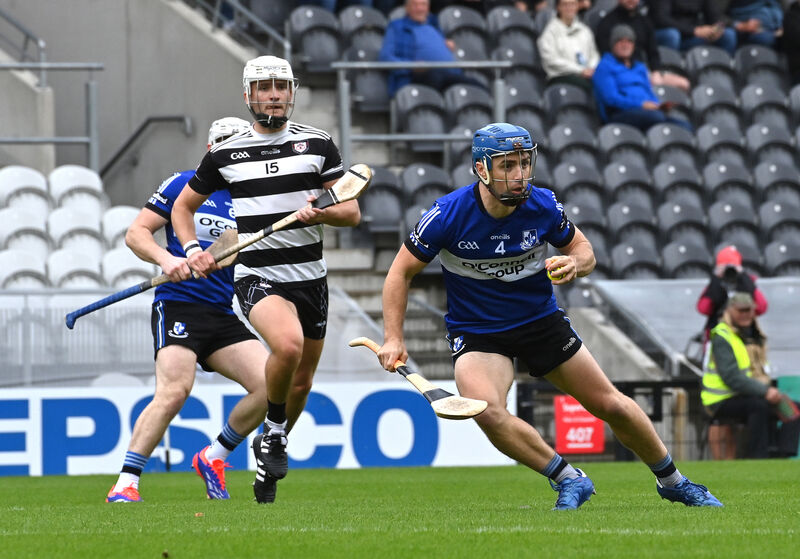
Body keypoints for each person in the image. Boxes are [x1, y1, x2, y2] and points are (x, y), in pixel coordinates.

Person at [376, 121, 722, 509]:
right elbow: (399, 273)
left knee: (610, 403)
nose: (519, 174)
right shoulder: (446, 215)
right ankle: (568, 478)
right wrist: (393, 337)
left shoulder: (541, 204)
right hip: (479, 332)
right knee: (487, 412)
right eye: (507, 165)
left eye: (524, 163)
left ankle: (674, 481)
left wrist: (577, 264)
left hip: (540, 322)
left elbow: (583, 247)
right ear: (481, 170)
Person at [171, 55, 361, 504]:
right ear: (248, 95)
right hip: (259, 275)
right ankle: (275, 432)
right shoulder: (226, 152)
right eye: (264, 87)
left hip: (311, 278)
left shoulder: (319, 145)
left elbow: (351, 213)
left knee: (300, 383)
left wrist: (322, 211)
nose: (273, 94)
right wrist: (194, 250)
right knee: (288, 347)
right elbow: (182, 209)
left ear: (291, 92)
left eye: (280, 86)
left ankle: (266, 449)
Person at [106, 117, 270, 503]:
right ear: (212, 151)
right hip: (178, 303)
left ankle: (213, 457)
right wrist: (167, 260)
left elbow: (240, 253)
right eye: (227, 148)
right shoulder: (183, 184)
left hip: (220, 313)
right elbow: (136, 233)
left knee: (270, 386)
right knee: (175, 390)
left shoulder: (252, 203)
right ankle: (126, 482)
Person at [702, 292, 800, 458]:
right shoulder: (722, 336)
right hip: (719, 401)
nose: (746, 314)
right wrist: (765, 391)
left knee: (793, 408)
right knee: (758, 406)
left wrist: (768, 392)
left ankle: (783, 456)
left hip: (745, 394)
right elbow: (731, 377)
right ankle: (758, 457)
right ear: (730, 310)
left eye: (749, 310)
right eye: (741, 310)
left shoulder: (751, 336)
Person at [592, 24, 693, 132]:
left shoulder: (639, 67)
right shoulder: (604, 67)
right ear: (613, 45)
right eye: (620, 41)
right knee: (655, 117)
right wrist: (641, 104)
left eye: (629, 41)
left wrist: (658, 106)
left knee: (685, 126)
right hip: (620, 113)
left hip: (647, 112)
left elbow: (649, 92)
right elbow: (611, 99)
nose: (625, 45)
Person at [378, 0, 487, 97]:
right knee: (436, 78)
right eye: (415, 5)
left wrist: (444, 43)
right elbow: (385, 57)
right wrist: (411, 66)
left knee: (477, 86)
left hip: (449, 73)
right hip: (414, 77)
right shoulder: (396, 27)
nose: (420, 9)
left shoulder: (434, 25)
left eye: (423, 5)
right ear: (407, 8)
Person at [594, 0, 690, 92]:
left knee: (684, 84)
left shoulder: (644, 21)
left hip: (643, 70)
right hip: (619, 72)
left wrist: (656, 71)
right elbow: (605, 55)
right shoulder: (606, 23)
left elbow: (653, 52)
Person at [697, 245, 768, 343]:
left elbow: (761, 307)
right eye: (724, 266)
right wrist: (716, 280)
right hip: (718, 334)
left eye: (732, 266)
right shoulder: (716, 284)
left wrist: (744, 278)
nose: (729, 271)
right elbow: (703, 308)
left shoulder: (747, 283)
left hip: (743, 335)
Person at [537, 0, 600, 92]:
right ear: (558, 7)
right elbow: (551, 60)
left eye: (572, 4)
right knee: (593, 88)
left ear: (577, 6)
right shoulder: (549, 33)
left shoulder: (585, 30)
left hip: (588, 74)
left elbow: (594, 54)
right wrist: (580, 70)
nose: (569, 8)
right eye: (565, 4)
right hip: (562, 76)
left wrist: (591, 68)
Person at [651, 0, 737, 56]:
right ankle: (669, 68)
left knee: (728, 35)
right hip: (669, 34)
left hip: (693, 36)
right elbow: (661, 19)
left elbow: (716, 16)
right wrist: (694, 31)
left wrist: (718, 28)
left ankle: (723, 71)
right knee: (672, 35)